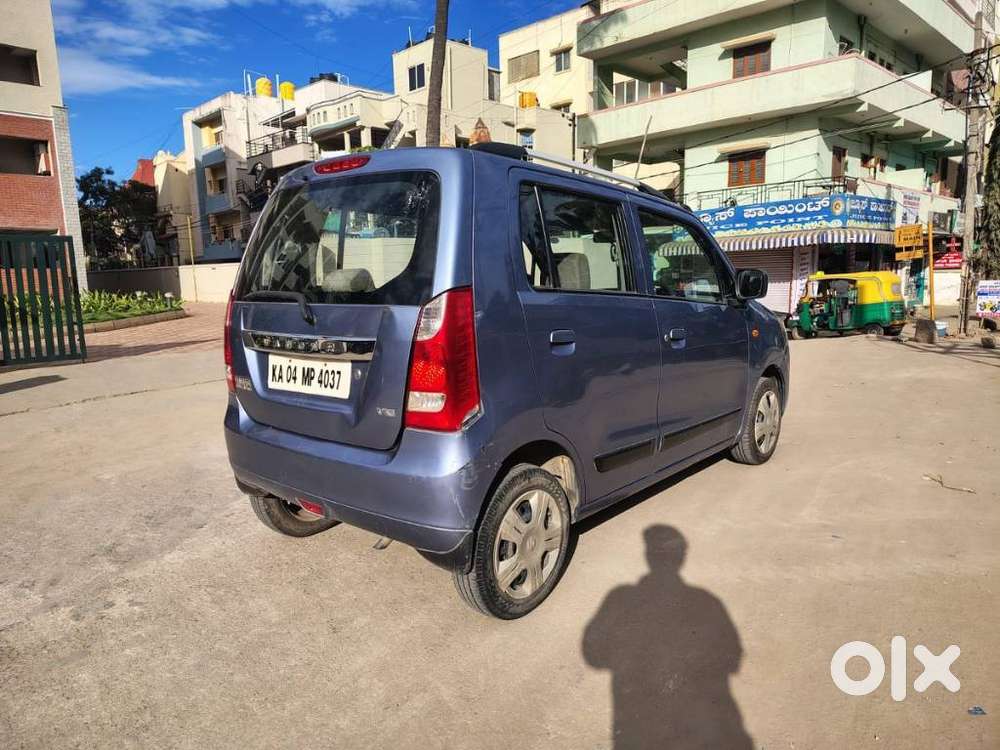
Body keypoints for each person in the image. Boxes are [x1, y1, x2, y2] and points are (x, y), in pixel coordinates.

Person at [582, 525, 752, 749]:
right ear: (682, 559)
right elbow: (732, 658)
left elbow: (593, 654)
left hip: (636, 728)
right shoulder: (707, 603)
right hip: (697, 728)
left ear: (648, 556)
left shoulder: (620, 598)